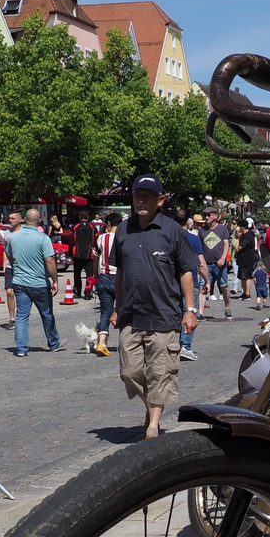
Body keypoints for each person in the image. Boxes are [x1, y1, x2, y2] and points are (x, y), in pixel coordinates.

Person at [111, 177, 197, 437]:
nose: (141, 200)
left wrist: (190, 310)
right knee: (130, 372)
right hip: (131, 313)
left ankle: (152, 425)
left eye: (147, 195)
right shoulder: (124, 230)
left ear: (160, 200)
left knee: (160, 372)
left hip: (163, 313)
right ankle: (152, 406)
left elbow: (186, 272)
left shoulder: (172, 231)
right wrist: (116, 306)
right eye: (137, 195)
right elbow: (120, 272)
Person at [8, 208, 62, 356]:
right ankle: (53, 343)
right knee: (46, 313)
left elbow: (9, 255)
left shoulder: (13, 237)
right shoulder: (42, 238)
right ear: (39, 221)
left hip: (19, 281)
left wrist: (16, 267)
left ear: (25, 219)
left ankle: (21, 348)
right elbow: (49, 260)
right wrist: (55, 280)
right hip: (38, 283)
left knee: (21, 316)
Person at [172, 208, 208, 360]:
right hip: (190, 280)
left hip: (171, 282)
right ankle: (185, 346)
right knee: (189, 311)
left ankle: (173, 344)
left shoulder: (168, 236)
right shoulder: (193, 239)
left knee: (174, 313)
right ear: (188, 222)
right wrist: (207, 280)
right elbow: (200, 263)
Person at [92, 211, 122, 358]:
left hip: (104, 277)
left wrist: (95, 275)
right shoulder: (124, 238)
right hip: (120, 278)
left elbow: (96, 258)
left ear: (108, 224)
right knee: (124, 310)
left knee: (105, 312)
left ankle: (101, 343)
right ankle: (125, 343)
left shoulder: (101, 238)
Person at [199, 209, 233, 319]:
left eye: (208, 215)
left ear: (214, 216)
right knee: (203, 288)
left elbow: (226, 244)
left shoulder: (222, 229)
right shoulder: (202, 231)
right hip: (206, 264)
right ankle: (200, 312)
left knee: (224, 287)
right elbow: (199, 248)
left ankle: (227, 308)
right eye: (204, 215)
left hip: (220, 264)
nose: (206, 217)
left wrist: (223, 258)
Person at [0, 210, 23, 328]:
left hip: (22, 267)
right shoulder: (7, 233)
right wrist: (4, 265)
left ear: (20, 219)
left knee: (22, 294)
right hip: (10, 267)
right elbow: (5, 250)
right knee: (9, 292)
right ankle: (12, 318)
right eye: (9, 218)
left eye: (13, 218)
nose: (10, 220)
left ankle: (21, 317)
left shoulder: (24, 232)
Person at [72, 214, 96, 300]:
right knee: (89, 274)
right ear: (88, 217)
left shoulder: (76, 227)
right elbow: (95, 240)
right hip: (89, 254)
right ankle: (88, 293)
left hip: (77, 254)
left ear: (79, 217)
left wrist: (70, 253)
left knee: (77, 273)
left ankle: (78, 290)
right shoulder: (92, 227)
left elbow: (72, 240)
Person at [236, 218, 259, 301]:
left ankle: (247, 294)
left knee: (247, 276)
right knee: (242, 277)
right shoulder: (244, 235)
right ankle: (244, 292)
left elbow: (240, 247)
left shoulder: (248, 236)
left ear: (242, 227)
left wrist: (238, 242)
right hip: (242, 259)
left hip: (247, 259)